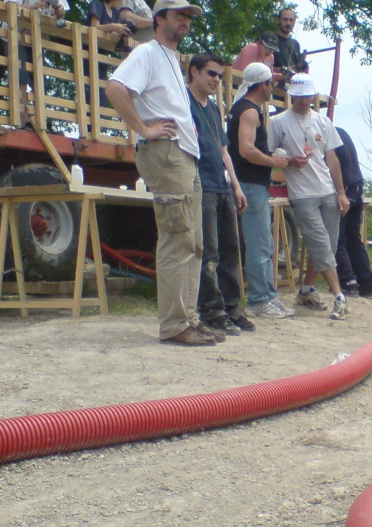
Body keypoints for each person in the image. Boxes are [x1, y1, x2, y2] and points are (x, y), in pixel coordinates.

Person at [106, 0, 218, 346]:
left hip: (184, 155)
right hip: (167, 154)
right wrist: (144, 128)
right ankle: (174, 324)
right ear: (159, 19)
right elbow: (115, 88)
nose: (186, 21)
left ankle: (189, 318)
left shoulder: (171, 58)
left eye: (188, 17)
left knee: (194, 243)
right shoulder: (148, 54)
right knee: (177, 238)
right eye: (179, 15)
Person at [268, 73, 351, 321]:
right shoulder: (278, 122)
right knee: (320, 244)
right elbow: (269, 155)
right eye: (298, 97)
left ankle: (306, 289)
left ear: (313, 96)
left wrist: (341, 192)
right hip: (302, 194)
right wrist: (289, 161)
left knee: (329, 246)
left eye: (307, 97)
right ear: (291, 95)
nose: (303, 101)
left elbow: (332, 158)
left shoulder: (323, 122)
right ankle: (339, 297)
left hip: (327, 189)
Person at [187, 52, 257, 336]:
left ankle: (232, 307)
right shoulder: (184, 103)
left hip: (222, 185)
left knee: (232, 250)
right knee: (209, 253)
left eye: (219, 75)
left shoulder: (215, 109)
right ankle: (211, 310)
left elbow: (225, 150)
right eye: (211, 73)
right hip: (201, 184)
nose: (216, 79)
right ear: (194, 72)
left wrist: (236, 186)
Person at [227, 62, 295, 319]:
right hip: (250, 184)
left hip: (252, 184)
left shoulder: (243, 109)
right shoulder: (250, 112)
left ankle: (267, 295)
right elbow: (246, 149)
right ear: (262, 84)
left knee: (264, 243)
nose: (273, 88)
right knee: (258, 245)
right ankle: (258, 299)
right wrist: (273, 161)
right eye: (271, 83)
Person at [2, 0, 70, 126]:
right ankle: (22, 119)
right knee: (20, 77)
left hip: (37, 37)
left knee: (38, 79)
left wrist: (59, 12)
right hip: (15, 34)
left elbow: (62, 12)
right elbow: (8, 6)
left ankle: (40, 121)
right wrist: (32, 6)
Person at [334, 127, 372, 298]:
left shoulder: (329, 136)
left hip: (344, 191)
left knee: (338, 239)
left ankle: (348, 282)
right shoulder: (342, 132)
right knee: (355, 240)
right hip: (357, 190)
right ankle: (368, 285)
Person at [272, 7, 305, 76]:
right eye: (285, 19)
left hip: (293, 84)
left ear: (294, 22)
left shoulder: (295, 44)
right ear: (278, 20)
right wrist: (282, 69)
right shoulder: (271, 40)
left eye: (291, 20)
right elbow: (263, 66)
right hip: (274, 84)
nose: (288, 23)